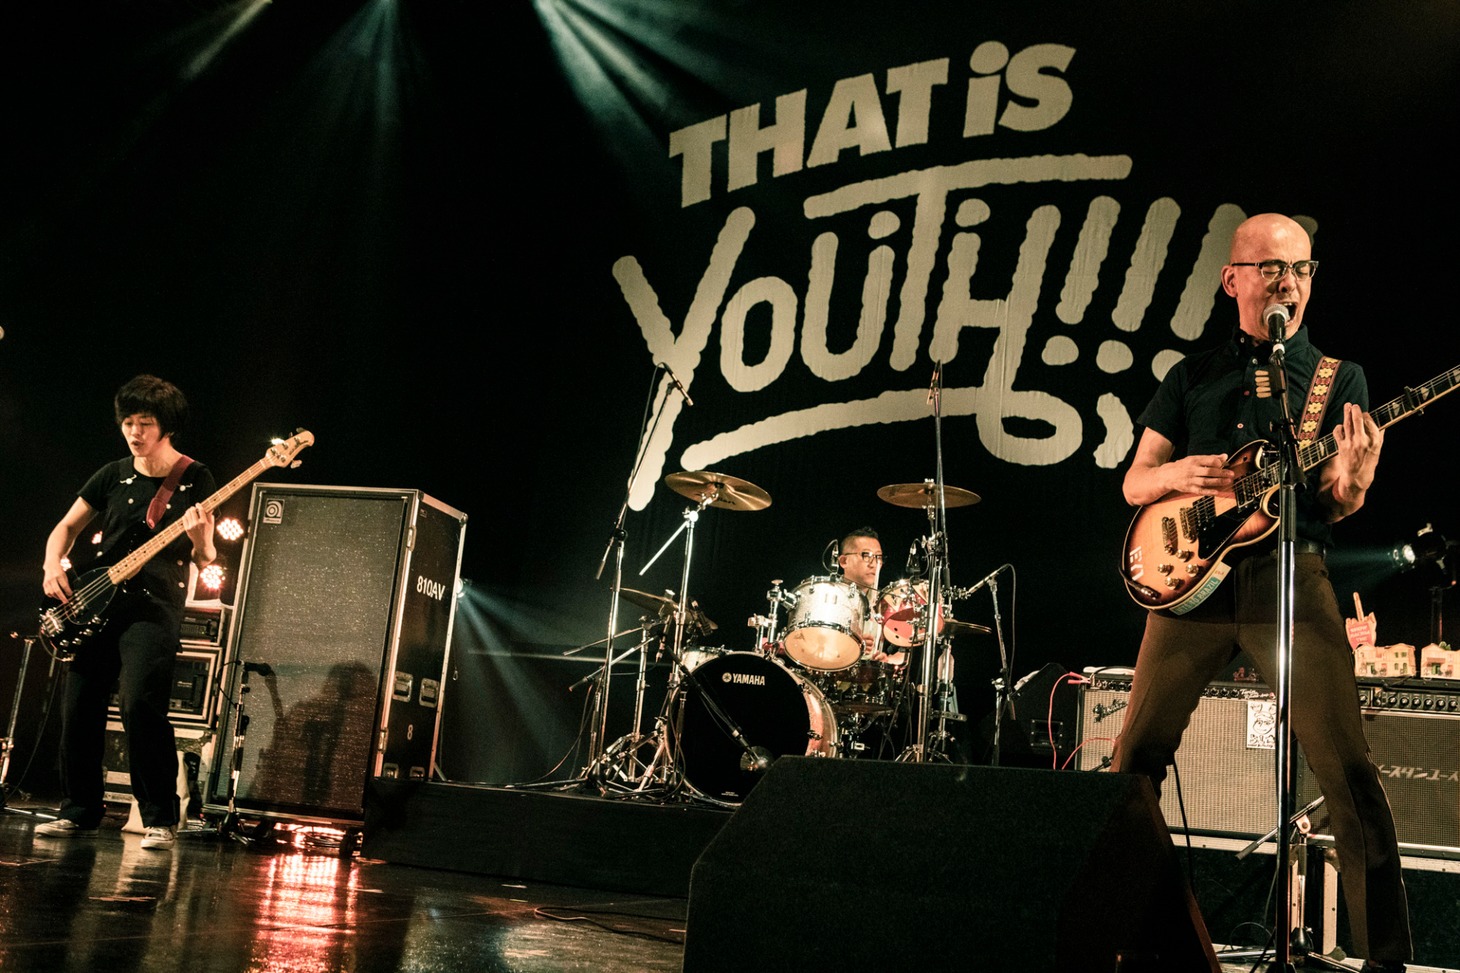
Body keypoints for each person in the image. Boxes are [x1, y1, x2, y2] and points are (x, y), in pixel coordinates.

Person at [1112, 214, 1410, 971]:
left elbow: (1338, 500)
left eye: (1302, 269)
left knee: (1346, 767)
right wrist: (1180, 475)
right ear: (1233, 279)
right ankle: (1145, 943)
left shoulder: (1337, 382)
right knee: (1132, 763)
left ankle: (1383, 959)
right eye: (1272, 267)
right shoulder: (1192, 375)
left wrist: (1356, 478)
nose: (1288, 282)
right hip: (1191, 589)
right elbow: (1134, 481)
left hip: (1292, 575)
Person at [36, 375, 218, 851]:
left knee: (140, 704)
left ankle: (159, 818)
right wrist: (52, 563)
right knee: (79, 708)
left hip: (153, 608)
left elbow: (206, 558)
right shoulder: (112, 473)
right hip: (96, 600)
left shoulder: (195, 477)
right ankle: (79, 811)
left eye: (145, 423)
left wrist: (200, 539)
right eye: (129, 422)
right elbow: (66, 527)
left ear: (167, 427)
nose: (134, 432)